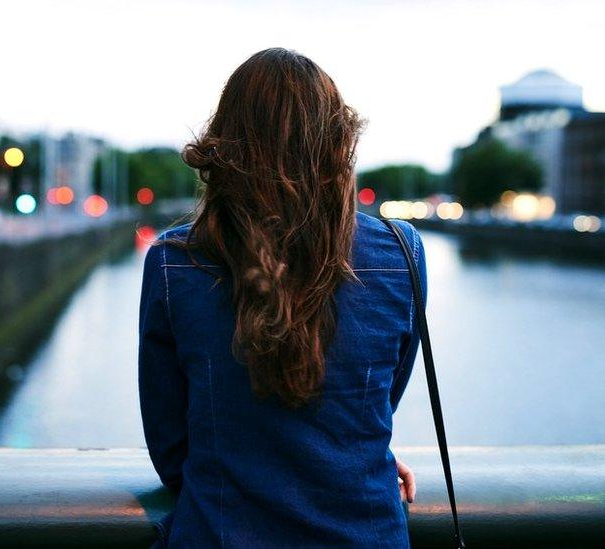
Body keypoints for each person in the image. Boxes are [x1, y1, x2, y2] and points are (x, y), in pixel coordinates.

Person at [138, 47, 425, 548]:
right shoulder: (402, 252)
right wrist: (352, 460)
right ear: (339, 142)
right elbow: (378, 399)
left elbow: (170, 449)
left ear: (225, 146)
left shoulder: (175, 263)